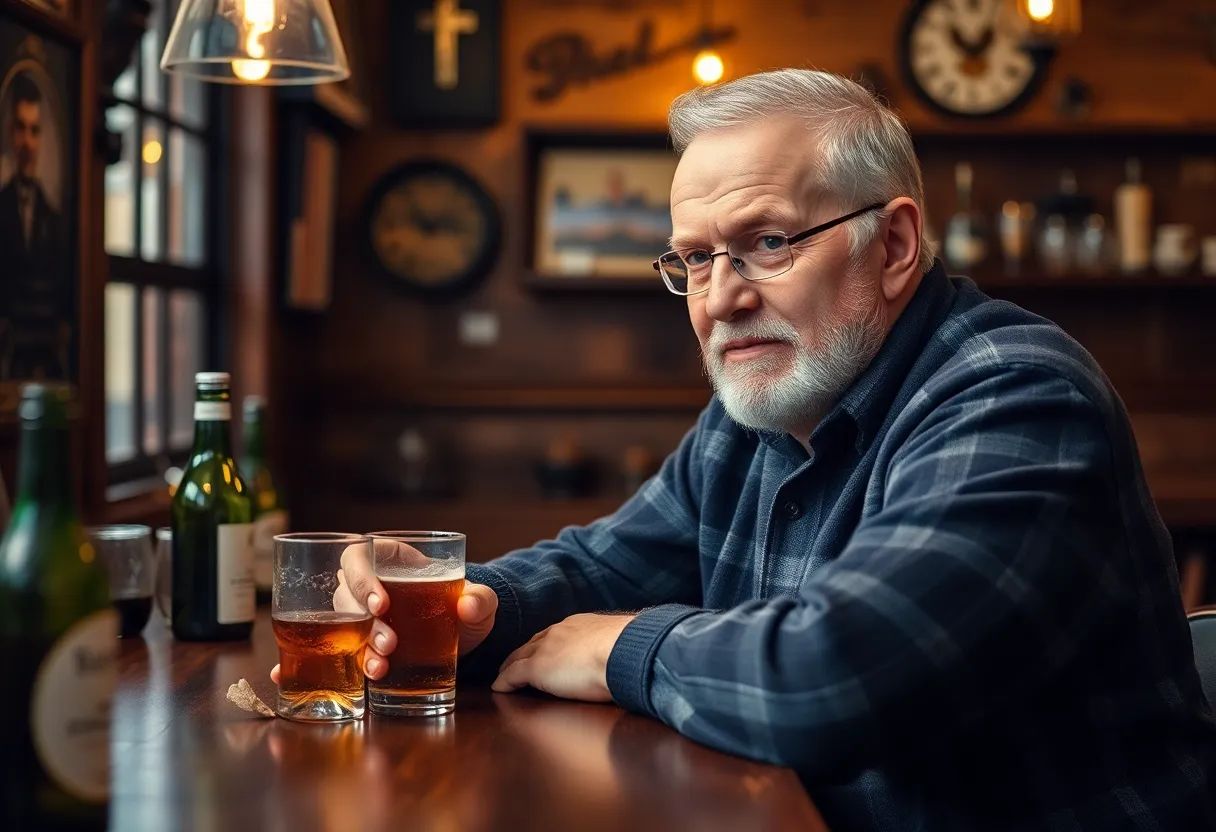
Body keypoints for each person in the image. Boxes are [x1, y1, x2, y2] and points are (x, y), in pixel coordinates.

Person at [275, 69, 1216, 828]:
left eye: (767, 242)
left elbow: (831, 681)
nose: (720, 297)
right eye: (693, 259)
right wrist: (475, 607)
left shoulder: (1016, 396)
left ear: (894, 245)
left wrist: (619, 649)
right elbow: (602, 565)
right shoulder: (763, 408)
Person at [0, 71, 67, 380]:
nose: (27, 142)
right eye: (21, 129)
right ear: (10, 134)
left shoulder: (52, 218)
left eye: (34, 131)